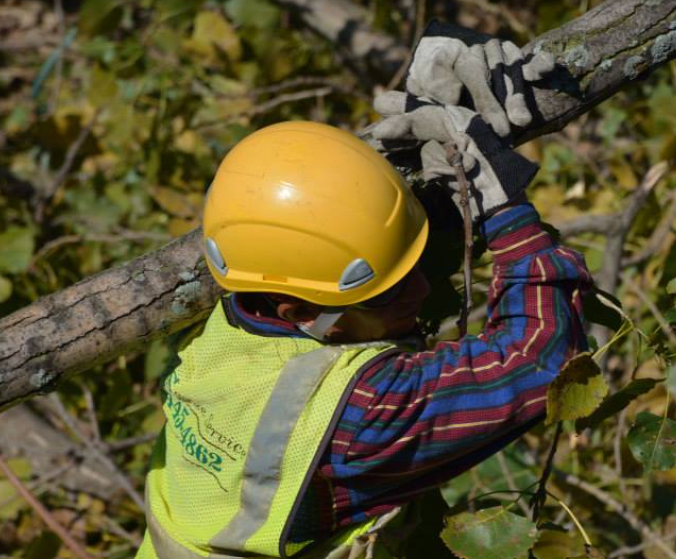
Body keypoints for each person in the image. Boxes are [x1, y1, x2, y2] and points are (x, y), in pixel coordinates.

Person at [136, 21, 592, 559]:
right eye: (383, 292)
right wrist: (505, 207)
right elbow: (542, 364)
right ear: (299, 309)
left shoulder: (233, 323)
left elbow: (326, 216)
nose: (421, 288)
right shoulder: (359, 419)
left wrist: (435, 124)